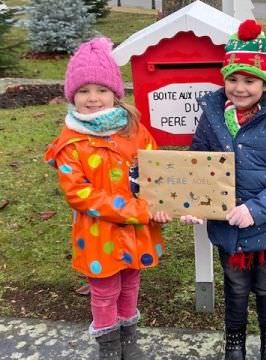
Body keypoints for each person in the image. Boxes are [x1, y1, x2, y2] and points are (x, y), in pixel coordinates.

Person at [180, 19, 266, 360]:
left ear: (265, 83)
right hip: (226, 227)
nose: (240, 88)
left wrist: (255, 210)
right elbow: (199, 159)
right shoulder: (212, 115)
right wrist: (194, 200)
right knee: (236, 287)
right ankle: (235, 342)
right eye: (233, 79)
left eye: (250, 80)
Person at [44, 37, 171, 360]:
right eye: (84, 91)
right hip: (98, 234)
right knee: (104, 291)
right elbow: (81, 194)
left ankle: (129, 340)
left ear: (115, 92)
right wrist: (139, 210)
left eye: (100, 90)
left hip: (136, 229)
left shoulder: (133, 129)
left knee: (130, 284)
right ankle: (109, 347)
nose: (93, 98)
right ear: (72, 96)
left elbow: (153, 168)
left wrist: (160, 203)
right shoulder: (69, 144)